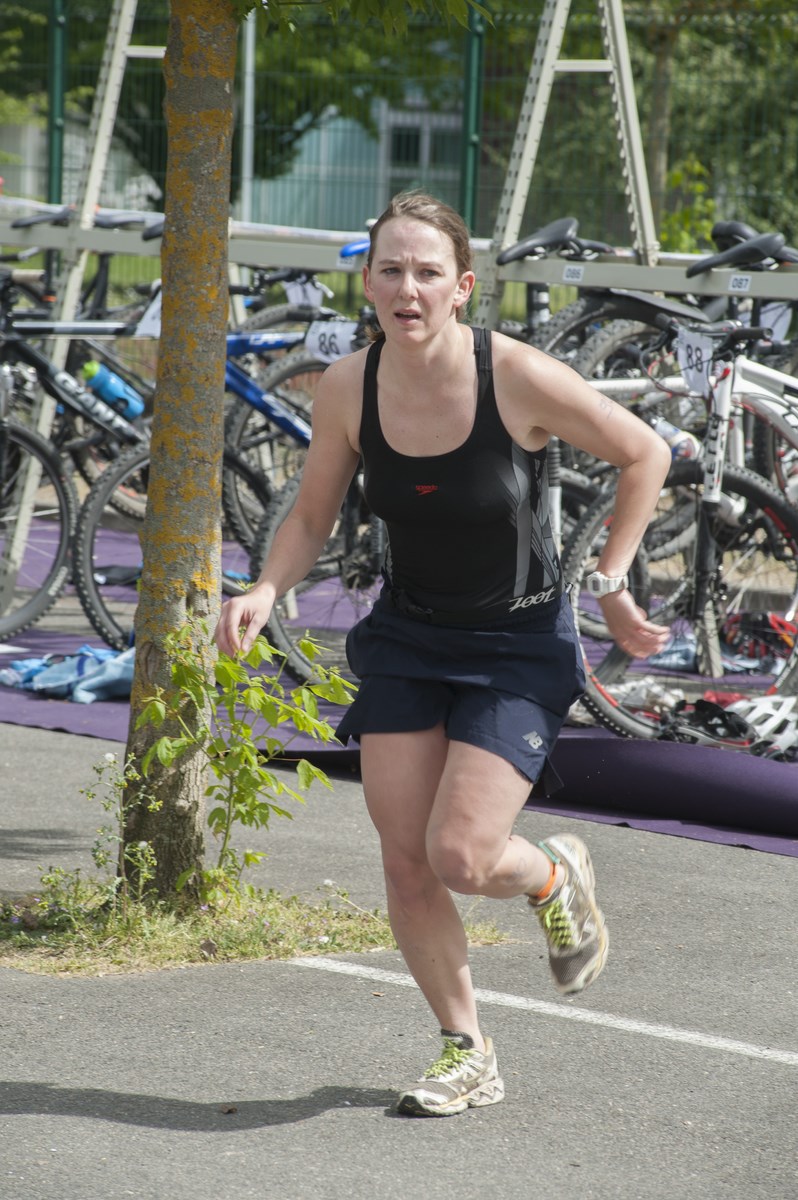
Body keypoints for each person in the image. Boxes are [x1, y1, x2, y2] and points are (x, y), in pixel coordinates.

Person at [214, 191, 672, 1117]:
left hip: (516, 641)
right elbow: (310, 515)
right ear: (369, 283)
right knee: (406, 861)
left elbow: (645, 453)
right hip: (411, 635)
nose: (407, 289)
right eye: (390, 270)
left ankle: (553, 875)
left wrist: (614, 578)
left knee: (461, 854)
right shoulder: (348, 387)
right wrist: (265, 588)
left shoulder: (517, 376)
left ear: (462, 288)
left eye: (428, 272)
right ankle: (468, 1051)